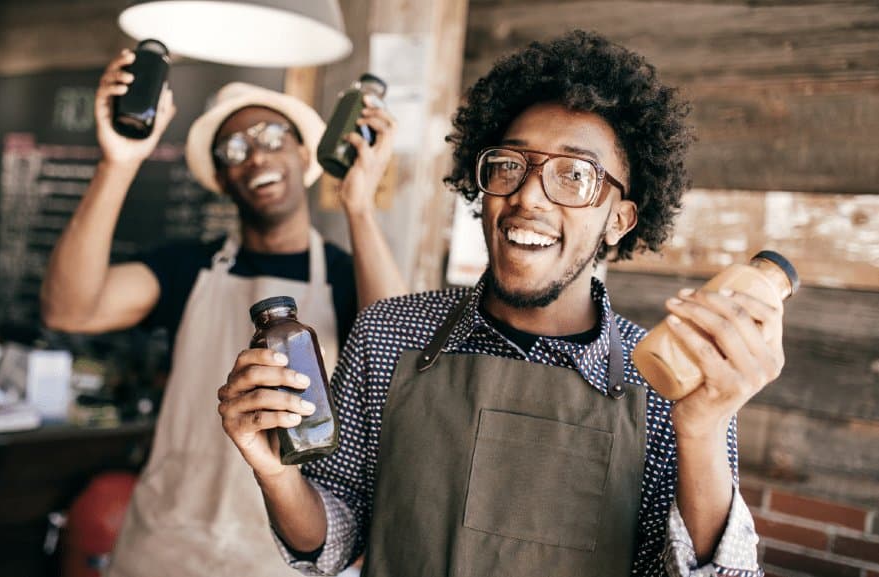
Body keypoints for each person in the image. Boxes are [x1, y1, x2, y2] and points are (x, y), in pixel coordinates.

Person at [219, 31, 777, 576]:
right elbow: (334, 543)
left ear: (619, 221)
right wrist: (277, 476)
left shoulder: (669, 384)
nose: (528, 196)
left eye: (574, 175)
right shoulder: (387, 332)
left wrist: (701, 432)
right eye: (511, 164)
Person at [41, 49, 405, 577]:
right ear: (221, 177)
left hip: (286, 556)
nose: (257, 156)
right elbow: (68, 308)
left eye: (273, 138)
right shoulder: (186, 266)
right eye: (234, 149)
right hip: (166, 545)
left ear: (306, 157)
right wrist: (118, 163)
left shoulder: (350, 276)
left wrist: (358, 205)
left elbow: (395, 356)